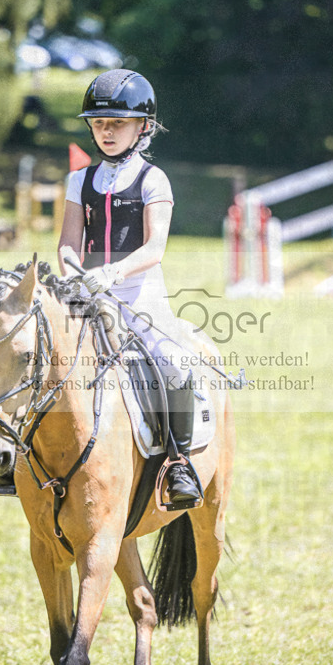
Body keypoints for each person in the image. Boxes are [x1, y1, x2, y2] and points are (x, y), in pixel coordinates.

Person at [57, 68, 201, 507]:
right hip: (86, 295)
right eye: (99, 124)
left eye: (117, 123)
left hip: (139, 297)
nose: (106, 131)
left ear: (143, 127)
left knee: (174, 361)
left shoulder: (153, 180)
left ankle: (178, 464)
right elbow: (67, 243)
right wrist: (72, 273)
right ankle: (18, 456)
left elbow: (155, 247)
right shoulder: (79, 180)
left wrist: (111, 274)